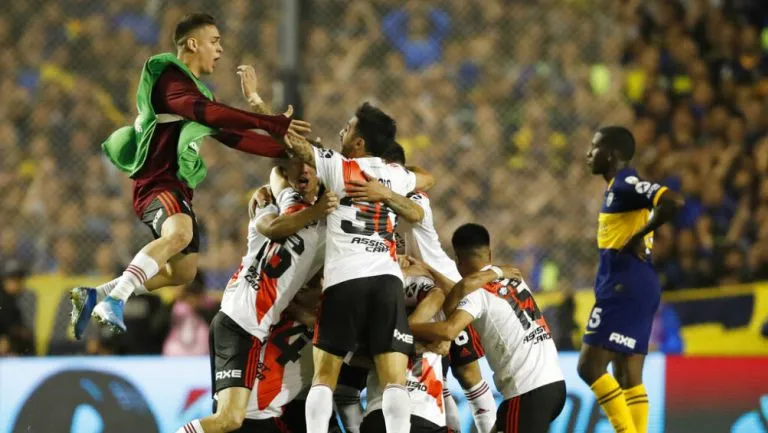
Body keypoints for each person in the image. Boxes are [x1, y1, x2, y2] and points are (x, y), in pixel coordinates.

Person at [69, 13, 311, 338]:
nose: (220, 50)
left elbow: (232, 136)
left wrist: (283, 151)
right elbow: (210, 114)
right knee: (180, 235)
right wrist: (269, 122)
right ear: (193, 44)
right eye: (215, 41)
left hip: (177, 189)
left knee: (182, 271)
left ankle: (94, 295)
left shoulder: (197, 93)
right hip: (158, 184)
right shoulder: (169, 79)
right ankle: (115, 300)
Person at [281, 102, 434, 433]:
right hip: (386, 282)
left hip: (345, 280)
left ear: (360, 142)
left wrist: (259, 106)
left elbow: (296, 147)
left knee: (325, 377)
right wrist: (384, 193)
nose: (342, 132)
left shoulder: (339, 167)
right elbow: (427, 177)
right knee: (394, 379)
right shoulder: (395, 175)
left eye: (348, 128)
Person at [346, 142, 497, 433]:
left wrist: (389, 192)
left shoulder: (413, 197)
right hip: (403, 293)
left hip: (443, 294)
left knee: (468, 374)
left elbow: (415, 211)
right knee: (431, 376)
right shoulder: (364, 201)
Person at [176, 161, 335, 433]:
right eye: (300, 170)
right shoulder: (274, 207)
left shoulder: (323, 230)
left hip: (240, 323)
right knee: (229, 419)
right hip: (243, 321)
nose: (304, 175)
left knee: (227, 421)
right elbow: (274, 218)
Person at [410, 223, 566, 433]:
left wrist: (409, 327)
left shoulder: (476, 294)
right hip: (554, 384)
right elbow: (462, 291)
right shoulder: (512, 278)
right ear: (489, 253)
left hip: (527, 393)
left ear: (457, 259)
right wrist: (430, 270)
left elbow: (449, 330)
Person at [577, 126, 683, 433]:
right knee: (627, 376)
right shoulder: (616, 188)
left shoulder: (626, 183)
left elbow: (672, 201)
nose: (588, 154)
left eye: (594, 148)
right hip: (637, 284)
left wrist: (640, 234)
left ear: (610, 154)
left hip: (625, 284)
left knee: (589, 366)